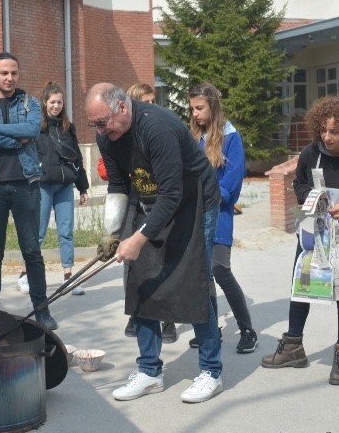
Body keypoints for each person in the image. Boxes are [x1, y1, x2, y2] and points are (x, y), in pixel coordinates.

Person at [87, 83, 223, 403]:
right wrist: (113, 232)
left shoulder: (157, 127)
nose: (100, 130)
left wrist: (138, 238)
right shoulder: (107, 135)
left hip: (195, 201)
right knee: (142, 281)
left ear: (122, 107)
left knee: (194, 281)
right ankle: (150, 371)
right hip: (152, 202)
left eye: (102, 121)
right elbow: (120, 185)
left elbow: (173, 194)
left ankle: (211, 371)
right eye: (94, 124)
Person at [260, 96, 339, 384]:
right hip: (313, 231)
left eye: (334, 132)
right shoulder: (311, 153)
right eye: (323, 130)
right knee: (301, 286)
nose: (327, 137)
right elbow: (298, 182)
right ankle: (293, 346)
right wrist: (309, 198)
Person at [0, 52, 55, 329]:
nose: (9, 78)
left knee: (32, 251)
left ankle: (41, 310)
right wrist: (16, 141)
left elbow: (32, 128)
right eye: (4, 73)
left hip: (25, 185)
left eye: (14, 73)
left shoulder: (30, 102)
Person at [187, 83, 258, 353]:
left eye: (200, 108)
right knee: (202, 274)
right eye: (192, 108)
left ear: (213, 107)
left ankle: (248, 330)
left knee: (219, 269)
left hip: (218, 214)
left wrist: (217, 194)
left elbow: (233, 181)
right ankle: (211, 328)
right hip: (193, 215)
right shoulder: (193, 136)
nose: (195, 113)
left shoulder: (230, 137)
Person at [119, 82, 177, 343]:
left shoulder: (159, 130)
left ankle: (169, 320)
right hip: (137, 200)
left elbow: (171, 189)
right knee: (131, 260)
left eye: (154, 101)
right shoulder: (126, 134)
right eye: (146, 101)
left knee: (165, 263)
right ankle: (137, 312)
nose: (152, 106)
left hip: (164, 203)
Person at [18, 82, 89, 293]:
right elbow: (25, 153)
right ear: (45, 102)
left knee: (66, 232)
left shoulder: (68, 127)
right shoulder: (37, 127)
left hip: (64, 185)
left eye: (59, 102)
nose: (56, 106)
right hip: (42, 185)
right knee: (37, 232)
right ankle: (25, 275)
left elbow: (77, 157)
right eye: (52, 102)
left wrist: (82, 187)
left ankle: (68, 276)